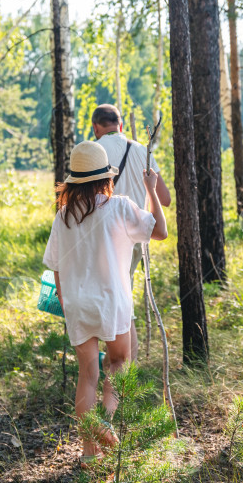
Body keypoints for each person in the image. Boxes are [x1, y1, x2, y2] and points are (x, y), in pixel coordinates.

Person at [43, 140, 167, 466]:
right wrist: (151, 189)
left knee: (87, 375)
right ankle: (106, 426)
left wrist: (66, 300)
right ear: (106, 178)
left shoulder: (64, 215)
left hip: (78, 304)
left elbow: (56, 267)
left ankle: (89, 454)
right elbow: (161, 231)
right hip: (113, 301)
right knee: (118, 363)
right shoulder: (121, 206)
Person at [91, 104, 171, 363]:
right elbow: (166, 199)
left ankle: (120, 364)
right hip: (135, 238)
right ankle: (122, 365)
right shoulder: (139, 149)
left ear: (96, 128)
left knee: (108, 298)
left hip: (101, 237)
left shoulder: (93, 151)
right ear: (121, 126)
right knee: (121, 296)